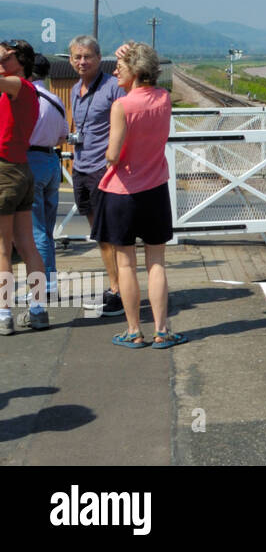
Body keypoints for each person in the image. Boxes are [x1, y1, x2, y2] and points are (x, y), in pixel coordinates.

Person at [94, 42, 186, 349]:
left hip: (122, 193)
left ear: (134, 69)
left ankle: (134, 331)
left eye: (120, 66)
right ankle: (162, 330)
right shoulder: (164, 98)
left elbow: (113, 154)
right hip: (155, 190)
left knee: (126, 265)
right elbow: (144, 75)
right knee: (156, 262)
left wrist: (107, 152)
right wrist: (130, 53)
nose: (114, 70)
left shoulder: (121, 106)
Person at [68, 35, 126, 315]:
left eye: (87, 56)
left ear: (99, 58)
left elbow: (128, 125)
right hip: (80, 168)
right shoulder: (74, 89)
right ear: (70, 60)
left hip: (104, 170)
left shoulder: (114, 87)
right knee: (98, 234)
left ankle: (119, 291)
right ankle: (115, 286)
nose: (82, 61)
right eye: (77, 57)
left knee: (110, 235)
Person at [0, 39, 54, 332]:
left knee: (2, 250)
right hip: (21, 168)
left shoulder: (19, 87)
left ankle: (4, 314)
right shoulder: (26, 91)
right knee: (27, 245)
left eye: (5, 58)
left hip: (5, 170)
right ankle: (37, 309)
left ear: (18, 62)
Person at [28, 54, 67, 300]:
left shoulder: (25, 98)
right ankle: (50, 282)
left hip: (31, 161)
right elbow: (63, 135)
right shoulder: (55, 99)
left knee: (36, 230)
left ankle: (40, 288)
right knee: (47, 229)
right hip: (53, 161)